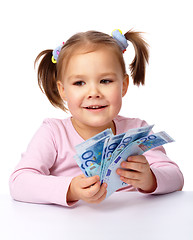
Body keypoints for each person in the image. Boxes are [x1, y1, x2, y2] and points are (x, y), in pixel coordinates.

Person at [9, 29, 184, 207]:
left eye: (105, 81)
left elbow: (176, 177)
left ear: (123, 85)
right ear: (63, 90)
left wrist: (151, 179)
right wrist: (70, 189)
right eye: (79, 83)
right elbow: (19, 182)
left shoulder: (136, 130)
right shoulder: (53, 133)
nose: (93, 93)